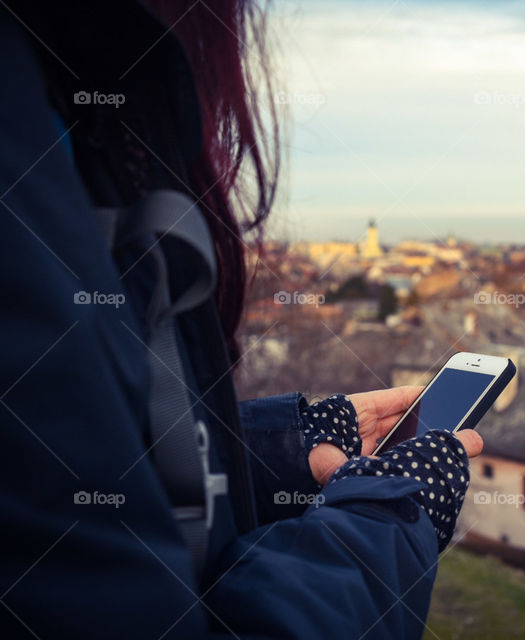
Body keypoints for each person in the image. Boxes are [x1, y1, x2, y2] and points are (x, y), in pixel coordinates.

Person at [0, 1, 482, 638]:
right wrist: (391, 515)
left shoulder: (58, 103)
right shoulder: (34, 117)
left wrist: (286, 445)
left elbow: (103, 462)